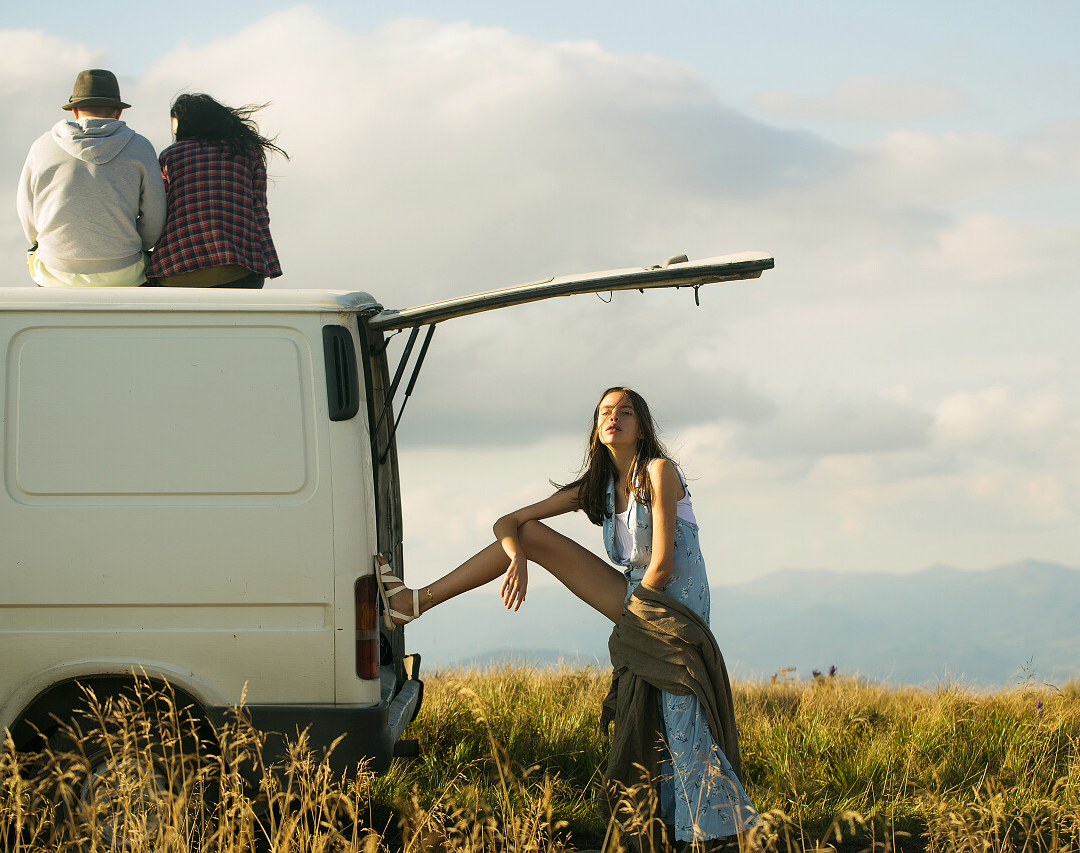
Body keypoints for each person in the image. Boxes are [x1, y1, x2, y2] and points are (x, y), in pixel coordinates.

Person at [375, 386, 759, 844]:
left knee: (679, 718)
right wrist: (516, 556)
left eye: (626, 412)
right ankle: (412, 603)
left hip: (673, 610)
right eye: (605, 412)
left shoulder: (658, 471)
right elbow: (509, 522)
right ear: (597, 429)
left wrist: (632, 628)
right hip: (636, 596)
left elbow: (662, 564)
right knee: (532, 535)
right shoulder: (597, 487)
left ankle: (715, 832)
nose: (614, 417)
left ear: (642, 427)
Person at [17, 69, 166, 287]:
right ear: (118, 112)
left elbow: (27, 213)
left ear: (75, 111)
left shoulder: (41, 146)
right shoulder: (140, 147)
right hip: (123, 271)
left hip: (55, 271)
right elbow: (154, 220)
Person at [147, 93, 286, 288]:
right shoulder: (248, 152)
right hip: (240, 268)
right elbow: (259, 211)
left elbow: (159, 213)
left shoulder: (171, 156)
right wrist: (266, 262)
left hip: (176, 268)